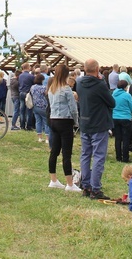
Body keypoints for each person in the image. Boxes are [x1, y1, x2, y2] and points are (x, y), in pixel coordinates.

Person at [77, 58, 115, 200]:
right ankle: (95, 188)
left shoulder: (79, 83)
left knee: (85, 154)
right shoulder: (100, 85)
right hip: (99, 123)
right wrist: (103, 81)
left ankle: (86, 185)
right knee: (98, 156)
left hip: (85, 122)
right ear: (97, 69)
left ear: (85, 69)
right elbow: (111, 102)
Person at [47, 64, 81, 192]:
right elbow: (73, 109)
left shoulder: (52, 88)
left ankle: (53, 179)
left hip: (53, 120)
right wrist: (76, 122)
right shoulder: (66, 89)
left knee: (54, 151)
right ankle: (70, 184)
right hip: (65, 121)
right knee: (66, 154)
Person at [112, 80, 132, 162]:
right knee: (126, 138)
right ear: (125, 87)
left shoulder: (113, 94)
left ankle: (118, 157)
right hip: (125, 118)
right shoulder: (127, 95)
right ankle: (125, 157)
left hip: (115, 117)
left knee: (117, 138)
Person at [30, 74, 50, 143]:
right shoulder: (44, 88)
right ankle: (47, 138)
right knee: (46, 122)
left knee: (38, 122)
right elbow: (47, 95)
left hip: (35, 106)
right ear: (42, 80)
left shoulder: (32, 87)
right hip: (43, 107)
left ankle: (40, 138)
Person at [18, 63, 34, 130]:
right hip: (28, 93)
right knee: (29, 110)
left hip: (21, 93)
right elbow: (33, 83)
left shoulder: (20, 76)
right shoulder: (31, 76)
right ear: (28, 67)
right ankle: (28, 126)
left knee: (22, 110)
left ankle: (22, 125)